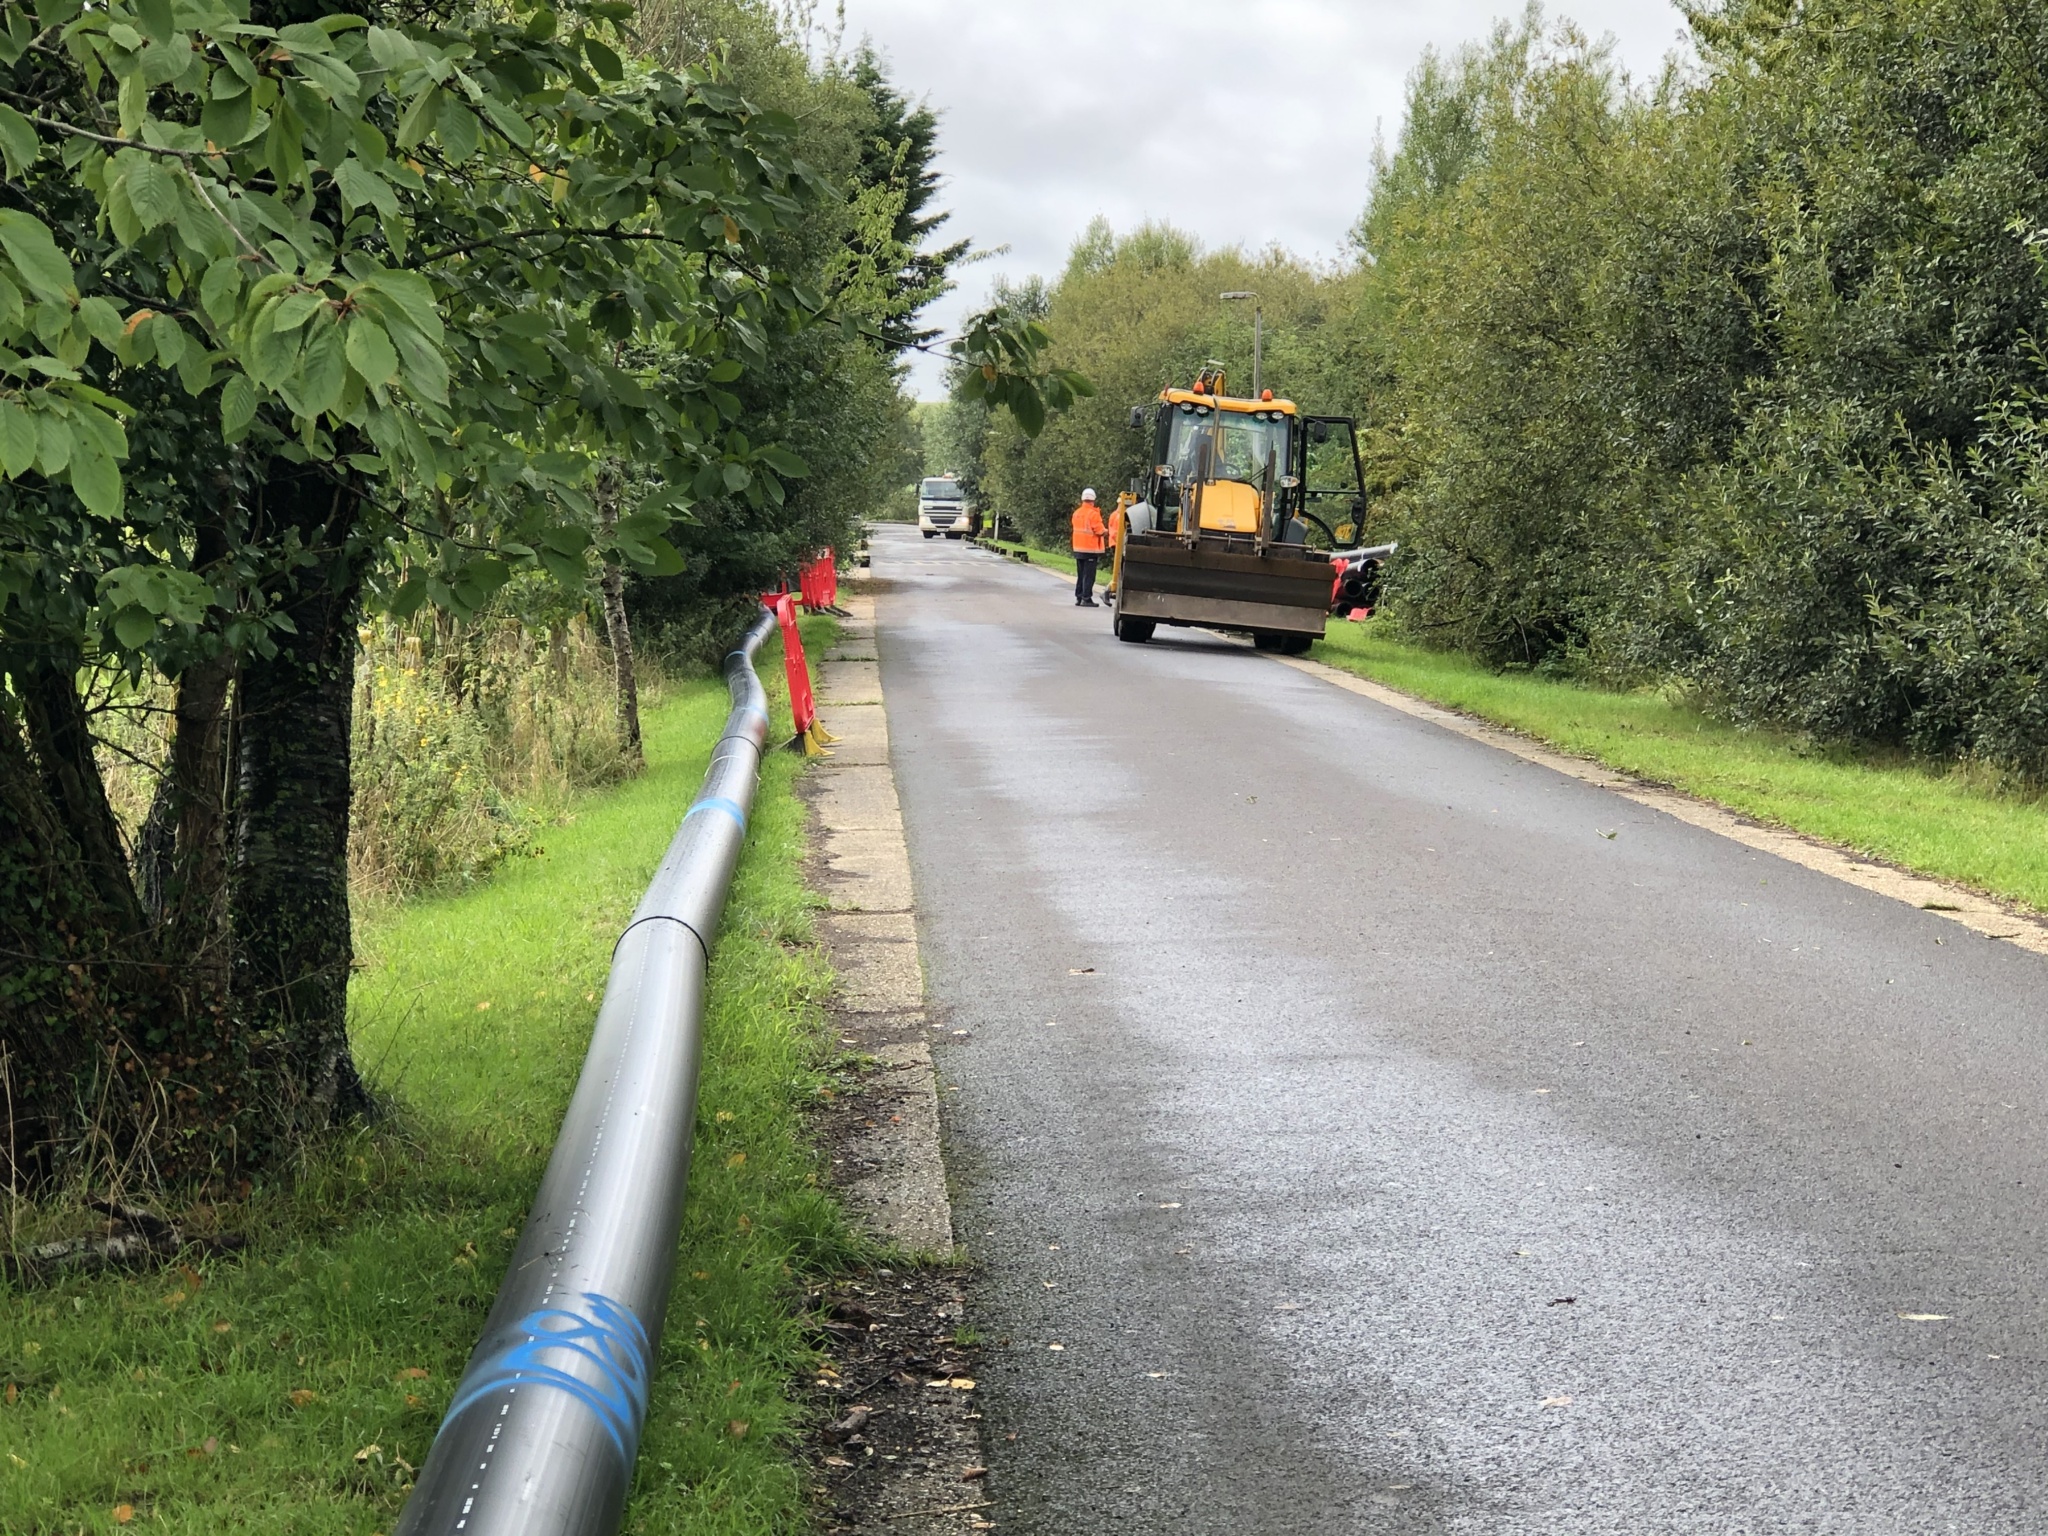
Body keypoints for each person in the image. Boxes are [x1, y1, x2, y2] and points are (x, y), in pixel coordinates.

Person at [1070, 488, 1107, 606]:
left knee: (1081, 575)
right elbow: (1099, 530)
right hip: (1090, 549)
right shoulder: (1093, 514)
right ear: (1093, 500)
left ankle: (1079, 597)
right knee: (1089, 576)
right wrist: (1107, 531)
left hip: (1078, 548)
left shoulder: (1076, 513)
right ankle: (1087, 598)